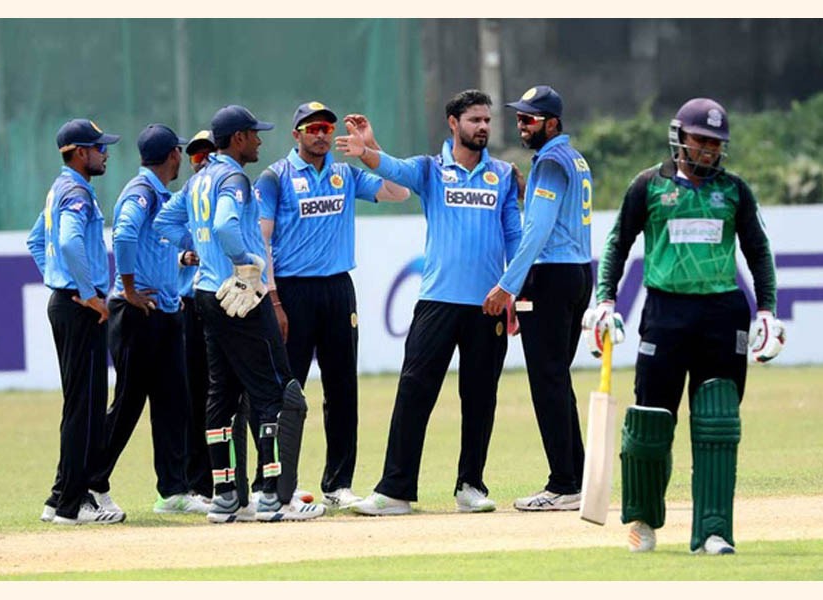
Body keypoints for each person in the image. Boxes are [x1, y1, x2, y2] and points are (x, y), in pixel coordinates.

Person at [588, 97, 784, 555]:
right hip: (666, 314)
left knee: (717, 421)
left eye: (716, 144)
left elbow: (759, 251)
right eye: (701, 140)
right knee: (652, 422)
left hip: (722, 314)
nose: (709, 151)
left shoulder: (735, 191)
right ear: (679, 138)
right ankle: (643, 521)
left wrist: (767, 310)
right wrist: (604, 299)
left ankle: (713, 530)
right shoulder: (648, 186)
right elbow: (618, 243)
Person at [336, 89, 522, 516]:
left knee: (480, 397)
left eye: (487, 121)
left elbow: (514, 234)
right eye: (474, 120)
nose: (483, 127)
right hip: (437, 301)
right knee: (414, 392)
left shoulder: (503, 175)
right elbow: (393, 170)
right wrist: (368, 152)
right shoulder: (431, 170)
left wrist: (512, 288)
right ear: (453, 124)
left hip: (487, 304)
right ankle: (395, 491)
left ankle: (470, 486)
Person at [154, 105, 325, 522]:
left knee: (222, 395)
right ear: (237, 139)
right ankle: (271, 497)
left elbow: (164, 221)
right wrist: (245, 263)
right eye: (253, 134)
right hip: (242, 293)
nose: (259, 141)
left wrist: (198, 250)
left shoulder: (200, 179)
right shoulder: (233, 178)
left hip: (208, 296)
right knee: (276, 393)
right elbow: (229, 226)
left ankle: (226, 495)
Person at [252, 101, 409, 510]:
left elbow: (399, 191)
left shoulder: (345, 174)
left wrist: (372, 148)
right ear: (296, 134)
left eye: (326, 127)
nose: (321, 134)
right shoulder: (275, 177)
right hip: (292, 291)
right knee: (288, 392)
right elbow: (262, 240)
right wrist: (274, 299)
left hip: (338, 289)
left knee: (343, 390)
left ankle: (337, 485)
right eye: (312, 128)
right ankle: (277, 486)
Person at [86, 124, 210, 516]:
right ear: (173, 154)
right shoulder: (141, 193)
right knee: (127, 404)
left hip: (167, 311)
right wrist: (129, 289)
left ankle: (173, 490)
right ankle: (90, 483)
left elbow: (155, 246)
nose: (181, 159)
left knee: (173, 402)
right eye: (180, 153)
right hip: (137, 312)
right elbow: (122, 237)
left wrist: (180, 260)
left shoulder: (161, 195)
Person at [481, 85, 594, 512]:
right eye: (520, 118)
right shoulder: (575, 158)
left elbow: (538, 231)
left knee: (547, 382)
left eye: (530, 119)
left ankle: (563, 483)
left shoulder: (549, 161)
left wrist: (509, 284)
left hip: (552, 275)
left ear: (553, 122)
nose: (522, 125)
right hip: (577, 271)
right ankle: (575, 478)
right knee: (557, 379)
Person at [26, 118, 124, 525]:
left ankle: (59, 498)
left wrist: (58, 282)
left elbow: (35, 240)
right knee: (84, 408)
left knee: (78, 405)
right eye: (99, 148)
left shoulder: (59, 188)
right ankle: (73, 504)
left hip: (65, 302)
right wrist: (84, 292)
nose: (104, 153)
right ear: (80, 153)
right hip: (79, 307)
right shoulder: (76, 192)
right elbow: (65, 240)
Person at [177, 129, 218, 501]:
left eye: (207, 152)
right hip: (192, 304)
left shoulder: (231, 188)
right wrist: (180, 256)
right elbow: (158, 230)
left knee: (225, 396)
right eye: (194, 156)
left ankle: (225, 479)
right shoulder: (188, 194)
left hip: (223, 301)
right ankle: (198, 482)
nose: (202, 160)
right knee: (195, 395)